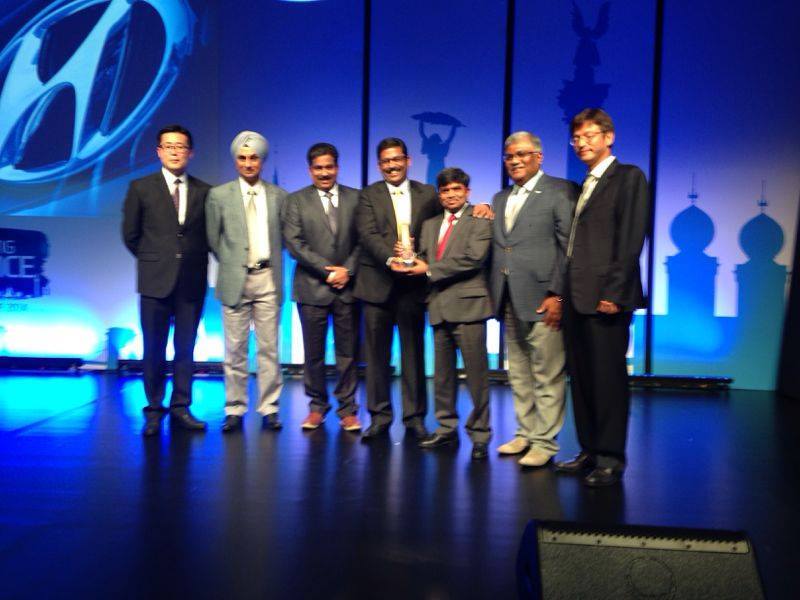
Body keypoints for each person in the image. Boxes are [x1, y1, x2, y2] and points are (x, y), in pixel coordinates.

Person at [554, 108, 649, 487]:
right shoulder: (583, 185)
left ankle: (610, 457)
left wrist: (614, 292)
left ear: (609, 137)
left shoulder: (628, 177)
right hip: (577, 296)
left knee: (608, 381)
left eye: (589, 135)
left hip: (606, 297)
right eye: (576, 138)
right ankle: (590, 450)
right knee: (582, 380)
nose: (582, 143)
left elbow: (630, 239)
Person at [490, 132, 577, 467]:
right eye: (509, 156)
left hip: (544, 298)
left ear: (539, 157)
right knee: (519, 372)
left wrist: (558, 293)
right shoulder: (500, 198)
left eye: (522, 154)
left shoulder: (559, 191)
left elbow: (567, 246)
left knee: (547, 373)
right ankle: (525, 433)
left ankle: (544, 442)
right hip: (508, 296)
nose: (515, 161)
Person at [396, 167, 493, 460]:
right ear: (439, 194)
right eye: (445, 190)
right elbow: (425, 259)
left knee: (476, 376)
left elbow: (474, 258)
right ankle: (446, 427)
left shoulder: (480, 218)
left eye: (456, 189)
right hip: (438, 305)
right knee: (442, 376)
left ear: (467, 192)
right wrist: (408, 257)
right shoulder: (430, 224)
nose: (451, 195)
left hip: (469, 306)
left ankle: (480, 434)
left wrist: (429, 269)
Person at [122, 124, 211, 436]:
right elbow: (130, 235)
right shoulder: (141, 188)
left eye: (181, 146)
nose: (175, 151)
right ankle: (154, 408)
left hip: (191, 282)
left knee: (185, 348)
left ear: (191, 153)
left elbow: (209, 235)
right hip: (154, 281)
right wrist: (156, 260)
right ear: (159, 151)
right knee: (154, 348)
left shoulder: (205, 191)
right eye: (169, 146)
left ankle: (181, 407)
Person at [206, 131, 287, 433]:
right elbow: (214, 239)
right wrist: (233, 263)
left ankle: (269, 408)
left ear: (262, 160)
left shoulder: (279, 196)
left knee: (269, 348)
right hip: (235, 278)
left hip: (267, 277)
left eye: (253, 158)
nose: (248, 163)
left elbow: (283, 238)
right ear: (235, 161)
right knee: (235, 350)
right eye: (242, 158)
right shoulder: (219, 195)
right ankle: (234, 409)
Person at [283, 143, 362, 432]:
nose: (324, 173)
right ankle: (317, 407)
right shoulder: (295, 200)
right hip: (312, 287)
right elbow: (294, 243)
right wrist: (329, 271)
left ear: (337, 168)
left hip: (348, 288)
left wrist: (347, 270)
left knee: (347, 354)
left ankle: (348, 409)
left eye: (329, 167)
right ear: (310, 170)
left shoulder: (356, 198)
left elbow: (364, 240)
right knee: (313, 354)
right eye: (318, 168)